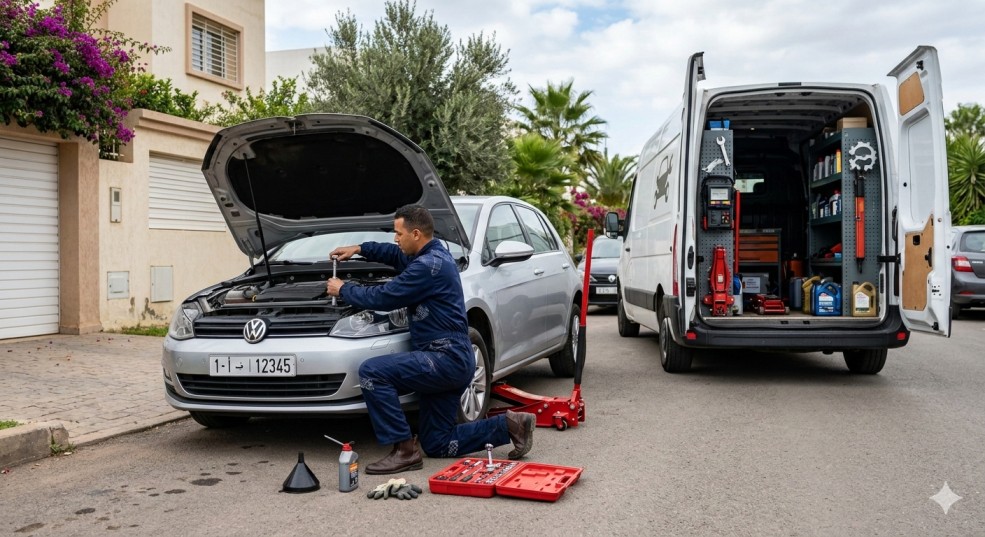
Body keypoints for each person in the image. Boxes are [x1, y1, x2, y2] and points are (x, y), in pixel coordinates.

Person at [326, 204, 535, 475]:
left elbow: (385, 297)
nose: (395, 239)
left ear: (416, 234)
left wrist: (344, 289)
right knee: (438, 442)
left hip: (443, 358)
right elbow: (393, 253)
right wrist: (359, 248)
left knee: (372, 372)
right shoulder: (432, 254)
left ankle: (404, 451)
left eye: (399, 234)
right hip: (453, 360)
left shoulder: (428, 266)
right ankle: (510, 425)